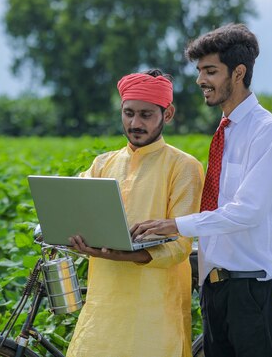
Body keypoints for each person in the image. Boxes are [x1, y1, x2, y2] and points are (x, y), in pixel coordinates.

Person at [131, 23, 272, 357]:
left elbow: (247, 211)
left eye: (210, 71)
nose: (200, 80)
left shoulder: (268, 132)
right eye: (199, 70)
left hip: (252, 289)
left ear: (238, 72)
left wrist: (175, 225)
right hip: (214, 286)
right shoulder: (225, 130)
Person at [66, 69, 204, 357]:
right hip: (103, 303)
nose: (135, 123)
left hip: (155, 310)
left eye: (145, 114)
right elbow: (73, 209)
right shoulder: (102, 164)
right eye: (129, 113)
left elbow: (180, 246)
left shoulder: (184, 167)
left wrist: (122, 255)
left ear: (167, 114)